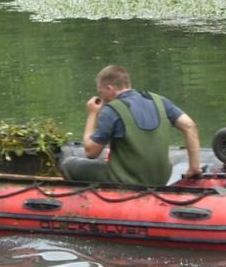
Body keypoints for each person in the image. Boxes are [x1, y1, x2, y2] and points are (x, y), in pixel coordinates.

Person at [60, 65, 202, 186]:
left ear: (109, 88)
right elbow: (189, 126)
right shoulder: (159, 101)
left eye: (101, 92)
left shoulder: (111, 111)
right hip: (162, 178)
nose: (101, 97)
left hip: (129, 181)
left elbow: (91, 153)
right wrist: (194, 167)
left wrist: (92, 114)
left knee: (69, 164)